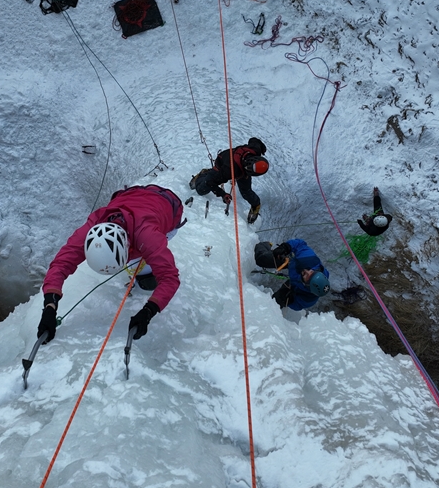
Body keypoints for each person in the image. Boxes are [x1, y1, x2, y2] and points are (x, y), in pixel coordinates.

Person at [37, 184, 185, 345]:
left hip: (168, 205)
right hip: (130, 197)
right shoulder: (90, 230)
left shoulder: (148, 236)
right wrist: (49, 306)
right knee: (142, 263)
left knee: (148, 279)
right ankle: (139, 265)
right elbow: (60, 264)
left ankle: (141, 267)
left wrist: (149, 310)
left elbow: (170, 277)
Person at [189, 137, 267, 223]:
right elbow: (210, 183)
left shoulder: (255, 150)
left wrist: (263, 148)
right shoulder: (228, 171)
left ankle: (256, 205)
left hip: (238, 169)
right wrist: (222, 194)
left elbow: (253, 140)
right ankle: (204, 174)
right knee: (201, 190)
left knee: (246, 192)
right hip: (223, 164)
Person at [254, 239, 330, 311]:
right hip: (292, 262)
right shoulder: (310, 259)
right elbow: (300, 244)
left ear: (306, 285)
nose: (306, 271)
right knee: (261, 259)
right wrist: (286, 247)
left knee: (277, 301)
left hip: (294, 287)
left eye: (307, 277)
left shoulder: (309, 298)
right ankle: (265, 244)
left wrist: (291, 300)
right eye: (312, 272)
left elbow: (298, 305)